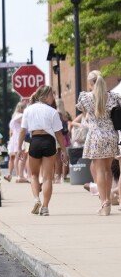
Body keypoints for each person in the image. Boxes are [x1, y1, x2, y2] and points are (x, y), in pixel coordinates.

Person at [18, 86, 69, 216]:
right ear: (46, 96)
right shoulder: (52, 112)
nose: (53, 98)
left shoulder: (28, 110)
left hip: (35, 141)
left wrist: (19, 148)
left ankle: (36, 199)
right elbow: (59, 134)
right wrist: (64, 150)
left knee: (33, 175)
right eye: (51, 95)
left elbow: (23, 130)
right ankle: (45, 207)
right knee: (47, 178)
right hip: (48, 141)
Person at [76, 70, 121, 216]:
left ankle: (105, 203)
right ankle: (107, 199)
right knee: (108, 169)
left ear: (90, 83)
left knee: (100, 170)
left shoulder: (86, 97)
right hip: (111, 135)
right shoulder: (113, 96)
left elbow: (81, 110)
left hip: (96, 135)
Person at [4, 102, 26, 182]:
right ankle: (20, 175)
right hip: (20, 137)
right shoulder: (21, 116)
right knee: (20, 157)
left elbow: (11, 131)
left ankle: (14, 175)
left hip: (14, 138)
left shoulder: (14, 116)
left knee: (14, 157)